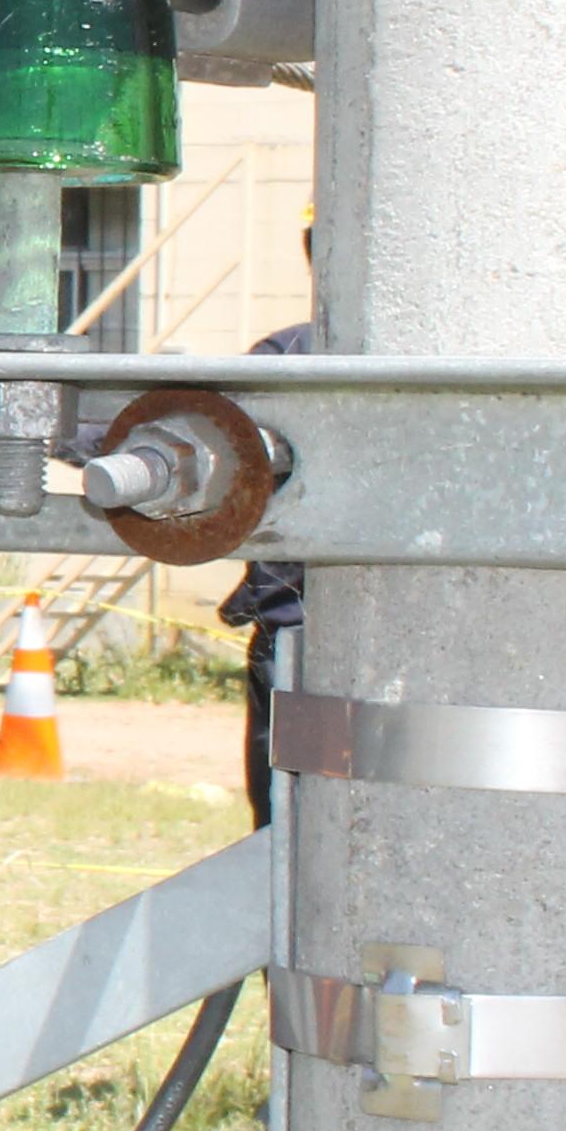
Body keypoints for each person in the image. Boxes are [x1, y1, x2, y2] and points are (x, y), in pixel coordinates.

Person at [222, 271, 319, 826]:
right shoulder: (289, 354)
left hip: (293, 639)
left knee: (284, 844)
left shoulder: (290, 353)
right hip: (291, 645)